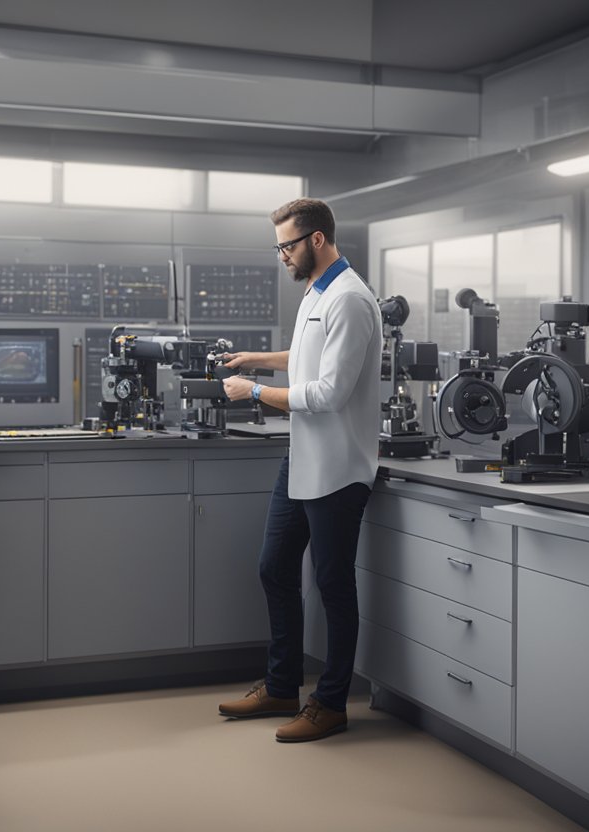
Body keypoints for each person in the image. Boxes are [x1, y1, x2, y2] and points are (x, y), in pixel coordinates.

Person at [217, 198, 382, 742]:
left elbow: (331, 391)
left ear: (316, 240)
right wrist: (258, 359)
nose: (282, 256)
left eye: (286, 246)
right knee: (274, 567)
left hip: (338, 466)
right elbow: (310, 355)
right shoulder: (318, 290)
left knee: (333, 584)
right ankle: (282, 685)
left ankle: (330, 703)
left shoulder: (352, 299)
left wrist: (255, 392)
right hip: (303, 458)